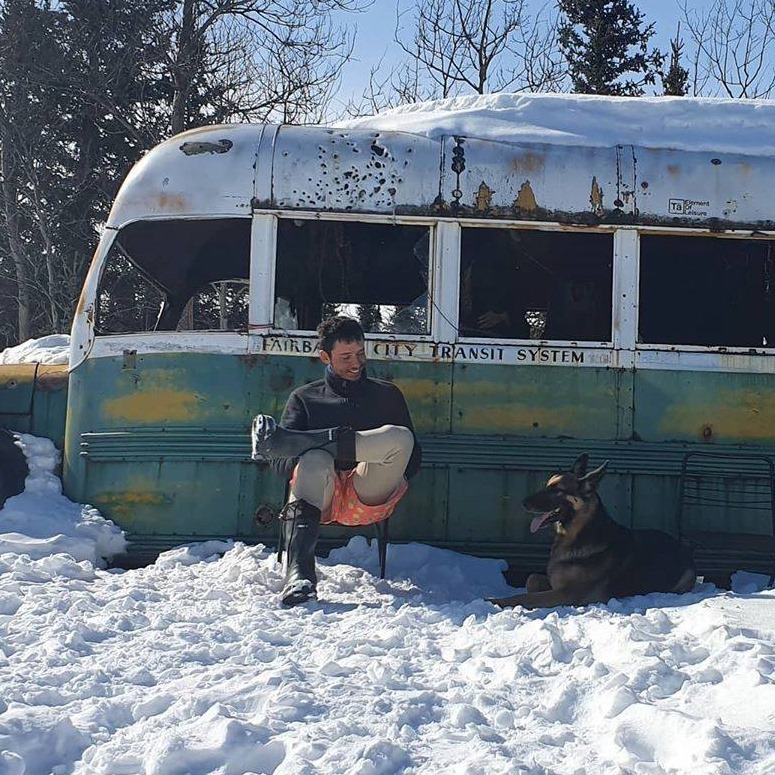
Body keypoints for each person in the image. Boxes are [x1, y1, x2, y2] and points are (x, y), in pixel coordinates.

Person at [251, 315, 421, 606]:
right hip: (319, 497)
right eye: (345, 357)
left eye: (360, 354)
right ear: (324, 356)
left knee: (400, 437)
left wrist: (380, 459)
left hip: (367, 495)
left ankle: (311, 441)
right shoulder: (304, 398)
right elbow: (280, 464)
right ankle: (300, 576)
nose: (356, 364)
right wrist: (322, 455)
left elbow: (413, 457)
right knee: (314, 460)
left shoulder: (387, 395)